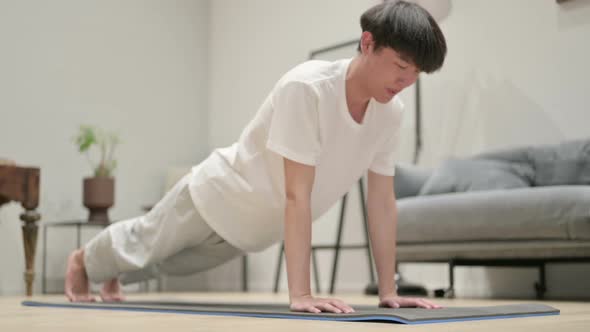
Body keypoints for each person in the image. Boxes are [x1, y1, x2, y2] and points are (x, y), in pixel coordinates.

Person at [65, 0, 447, 313]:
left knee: (165, 264)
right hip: (215, 194)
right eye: (400, 66)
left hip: (252, 230)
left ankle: (108, 268)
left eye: (416, 74)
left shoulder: (390, 114)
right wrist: (301, 294)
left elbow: (381, 201)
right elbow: (297, 193)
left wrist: (387, 291)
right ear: (367, 43)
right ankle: (82, 261)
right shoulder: (308, 88)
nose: (405, 82)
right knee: (143, 241)